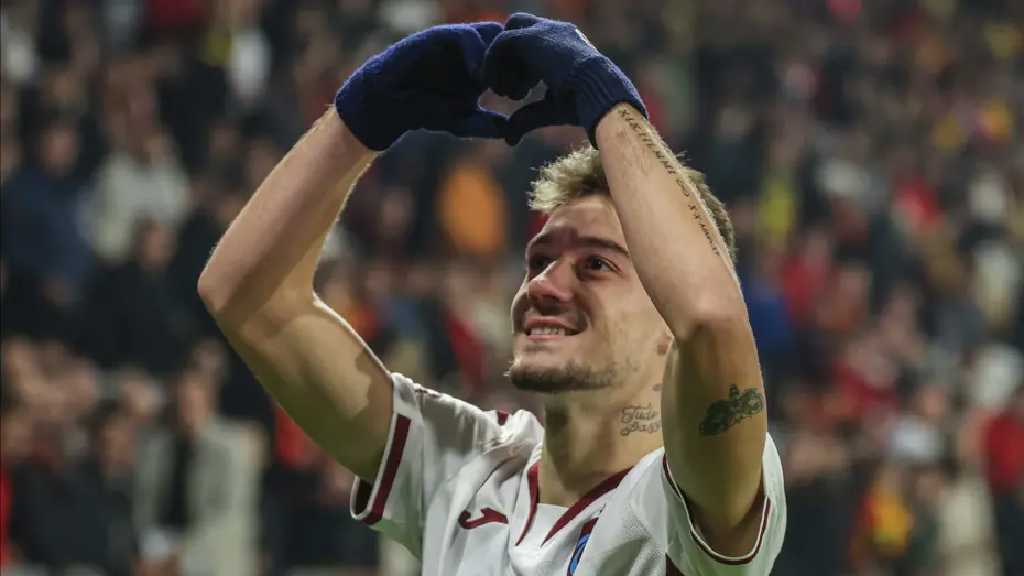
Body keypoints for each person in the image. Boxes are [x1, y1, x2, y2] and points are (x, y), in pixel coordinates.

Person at [199, 13, 785, 575]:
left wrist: (609, 104)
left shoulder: (692, 500)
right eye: (540, 260)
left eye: (597, 265)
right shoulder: (467, 466)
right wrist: (362, 118)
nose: (545, 285)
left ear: (668, 325)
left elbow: (711, 320)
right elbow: (247, 298)